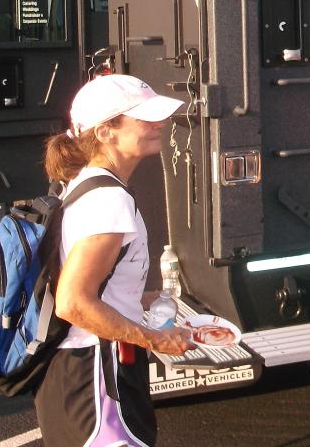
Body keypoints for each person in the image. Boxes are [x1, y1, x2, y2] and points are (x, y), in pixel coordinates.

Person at [34, 74, 193, 447]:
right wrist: (154, 338)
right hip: (97, 374)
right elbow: (73, 303)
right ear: (105, 131)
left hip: (81, 373)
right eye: (144, 117)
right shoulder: (109, 201)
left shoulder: (89, 182)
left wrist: (141, 296)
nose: (159, 124)